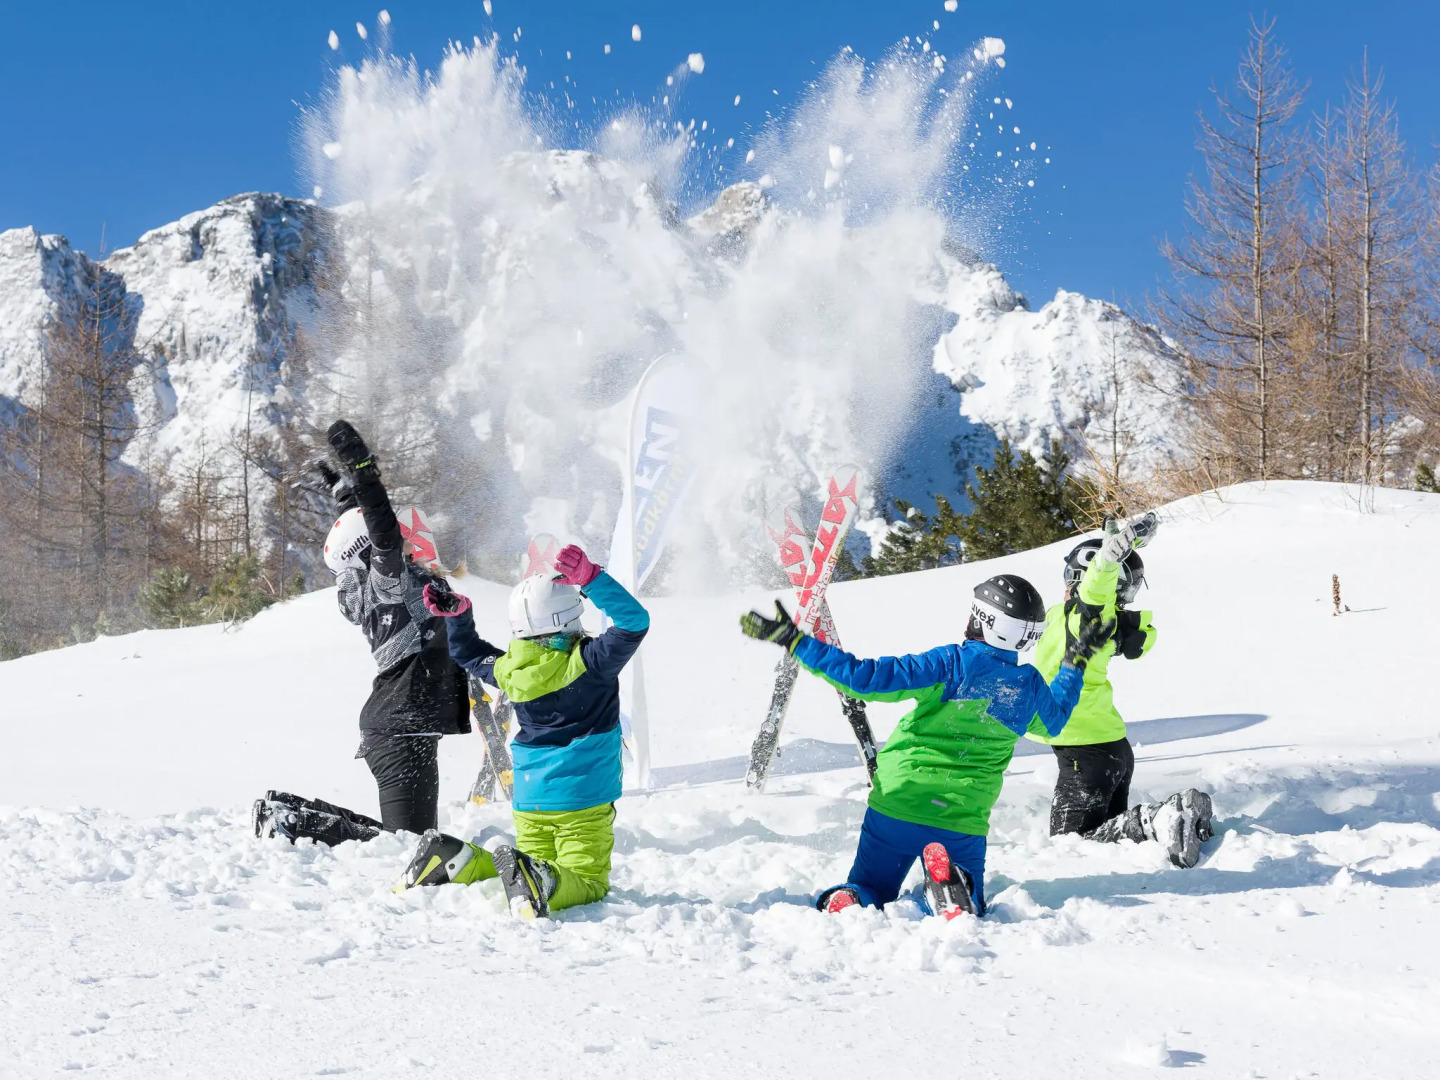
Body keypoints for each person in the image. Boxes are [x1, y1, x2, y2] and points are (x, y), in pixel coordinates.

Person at [740, 574, 1111, 919]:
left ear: (985, 621)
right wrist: (1074, 662)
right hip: (960, 819)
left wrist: (796, 642)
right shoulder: (1028, 687)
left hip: (897, 805)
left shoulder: (949, 664)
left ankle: (854, 898)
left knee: (872, 885)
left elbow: (864, 679)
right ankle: (943, 891)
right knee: (971, 898)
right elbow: (1055, 721)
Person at [393, 543, 649, 920]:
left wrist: (459, 618)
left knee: (527, 871)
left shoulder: (509, 669)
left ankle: (456, 860)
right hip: (582, 798)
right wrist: (592, 579)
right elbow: (634, 621)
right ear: (571, 612)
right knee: (586, 881)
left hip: (530, 799)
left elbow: (469, 654)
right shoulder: (592, 661)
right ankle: (538, 881)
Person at [252, 420, 471, 846]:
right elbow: (380, 529)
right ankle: (293, 822)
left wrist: (344, 495)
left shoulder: (384, 585)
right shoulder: (390, 582)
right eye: (400, 538)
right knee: (410, 846)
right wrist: (362, 469)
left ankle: (291, 813)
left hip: (404, 725)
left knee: (409, 841)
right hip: (401, 727)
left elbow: (364, 534)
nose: (408, 541)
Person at [1029, 513, 1215, 868]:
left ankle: (1162, 819)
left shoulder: (1089, 615)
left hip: (1085, 751)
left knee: (1069, 847)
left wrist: (1108, 558)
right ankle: (1171, 826)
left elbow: (1095, 589)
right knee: (1107, 844)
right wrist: (1110, 548)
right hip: (1106, 749)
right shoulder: (1072, 617)